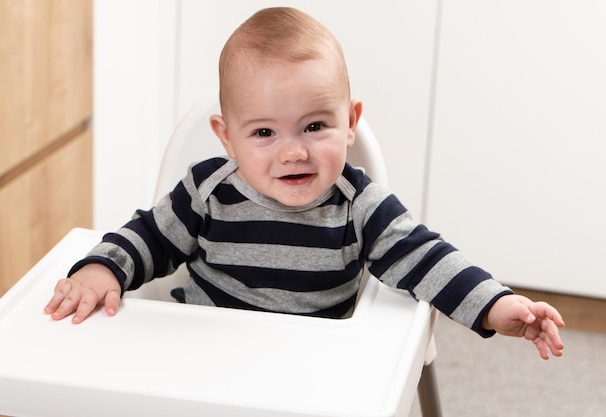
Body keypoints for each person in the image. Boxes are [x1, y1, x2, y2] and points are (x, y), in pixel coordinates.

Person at [45, 7, 565, 360]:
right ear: (227, 137)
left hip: (312, 361)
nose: (294, 150)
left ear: (350, 121)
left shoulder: (359, 207)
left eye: (315, 126)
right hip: (202, 351)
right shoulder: (207, 191)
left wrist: (498, 307)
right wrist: (100, 269)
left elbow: (427, 259)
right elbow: (150, 237)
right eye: (264, 132)